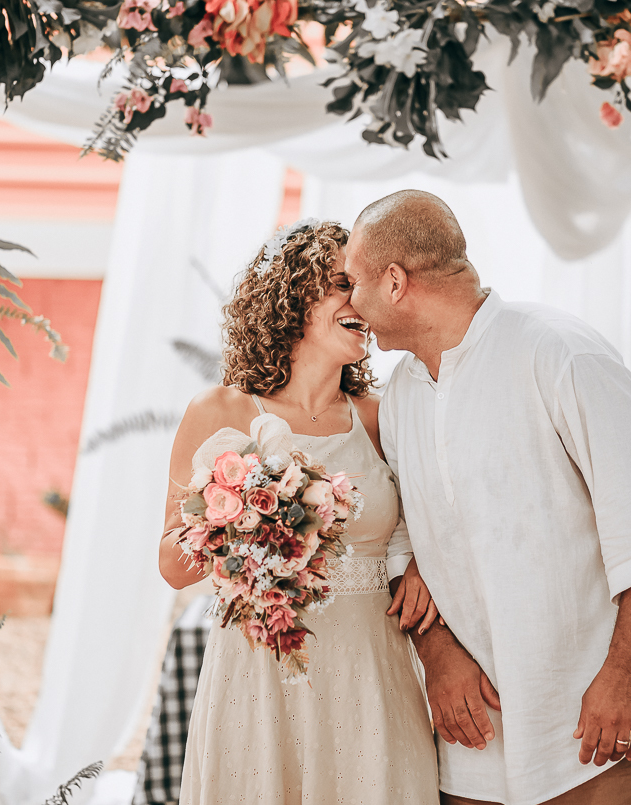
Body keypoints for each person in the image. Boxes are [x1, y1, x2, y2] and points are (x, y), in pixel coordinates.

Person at [344, 190, 631, 805]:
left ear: (395, 282)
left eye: (354, 283)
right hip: (473, 740)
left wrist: (623, 676)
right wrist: (439, 653)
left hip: (590, 727)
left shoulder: (559, 352)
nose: (350, 303)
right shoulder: (400, 394)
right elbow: (402, 540)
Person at [159, 219, 441, 804]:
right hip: (259, 675)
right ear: (292, 299)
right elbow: (171, 564)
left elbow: (437, 523)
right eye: (342, 283)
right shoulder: (220, 410)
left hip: (372, 672)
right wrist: (239, 526)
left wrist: (420, 564)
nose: (360, 301)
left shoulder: (383, 418)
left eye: (364, 286)